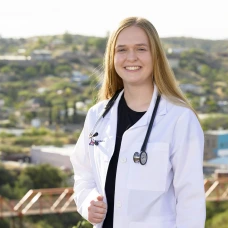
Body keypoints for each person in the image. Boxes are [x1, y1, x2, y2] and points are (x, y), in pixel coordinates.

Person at [70, 17, 206, 228]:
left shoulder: (179, 119)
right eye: (122, 50)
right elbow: (83, 174)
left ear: (156, 56)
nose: (131, 57)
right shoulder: (97, 117)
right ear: (112, 58)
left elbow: (191, 201)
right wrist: (87, 200)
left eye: (141, 49)